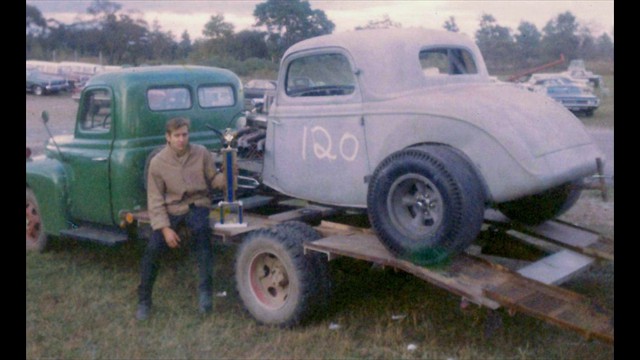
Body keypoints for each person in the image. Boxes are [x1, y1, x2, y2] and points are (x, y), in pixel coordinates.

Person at [136, 117, 225, 321]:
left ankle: (205, 295)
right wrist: (165, 229)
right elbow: (155, 199)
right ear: (168, 137)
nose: (181, 139)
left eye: (185, 134)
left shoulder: (201, 153)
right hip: (172, 209)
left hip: (197, 205)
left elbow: (213, 178)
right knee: (153, 250)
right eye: (177, 135)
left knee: (202, 238)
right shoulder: (158, 163)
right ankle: (144, 301)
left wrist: (228, 174)